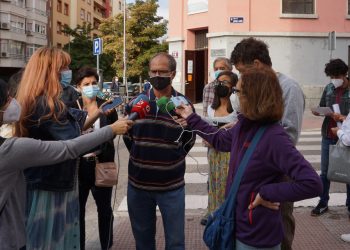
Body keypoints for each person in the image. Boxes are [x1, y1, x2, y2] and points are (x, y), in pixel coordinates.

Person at [175, 67, 322, 250]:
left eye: (237, 91)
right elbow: (220, 140)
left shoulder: (274, 137)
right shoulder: (245, 125)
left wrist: (267, 192)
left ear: (254, 95)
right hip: (237, 225)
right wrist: (191, 117)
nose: (234, 95)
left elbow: (312, 183)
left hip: (257, 236)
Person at [0, 78, 133, 250]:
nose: (14, 102)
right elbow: (68, 148)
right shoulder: (10, 149)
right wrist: (111, 130)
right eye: (8, 98)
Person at [230, 37, 305, 250]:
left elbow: (289, 134)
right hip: (253, 169)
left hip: (277, 172)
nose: (242, 77)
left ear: (256, 64)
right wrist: (238, 129)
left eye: (243, 71)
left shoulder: (289, 88)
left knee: (280, 224)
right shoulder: (251, 86)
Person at [123, 52, 195, 250]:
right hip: (138, 186)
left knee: (175, 242)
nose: (157, 75)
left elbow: (189, 141)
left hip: (171, 187)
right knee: (143, 242)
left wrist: (171, 156)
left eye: (162, 71)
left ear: (172, 74)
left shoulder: (184, 105)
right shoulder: (135, 103)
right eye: (153, 71)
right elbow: (128, 138)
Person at [15, 47, 85, 249]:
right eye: (64, 67)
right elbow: (73, 143)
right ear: (49, 71)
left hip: (38, 181)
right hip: (51, 185)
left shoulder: (31, 99)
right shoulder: (47, 105)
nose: (68, 71)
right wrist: (111, 130)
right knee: (51, 242)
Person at [71, 67, 118, 250]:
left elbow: (113, 133)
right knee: (78, 211)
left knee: (105, 210)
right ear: (78, 86)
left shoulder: (107, 106)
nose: (90, 87)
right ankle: (79, 246)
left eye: (93, 83)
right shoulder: (72, 107)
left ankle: (106, 245)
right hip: (78, 166)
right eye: (86, 84)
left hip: (102, 163)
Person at [310, 58, 350, 218]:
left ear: (343, 74)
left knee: (348, 171)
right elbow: (322, 106)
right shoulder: (329, 88)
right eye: (331, 76)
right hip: (328, 134)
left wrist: (343, 117)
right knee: (325, 172)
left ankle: (349, 204)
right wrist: (318, 111)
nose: (334, 79)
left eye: (336, 76)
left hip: (346, 135)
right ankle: (323, 202)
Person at [201, 71, 238, 226]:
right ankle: (214, 212)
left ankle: (228, 215)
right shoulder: (211, 108)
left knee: (227, 184)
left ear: (233, 86)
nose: (220, 85)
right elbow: (207, 129)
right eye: (218, 82)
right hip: (214, 152)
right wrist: (206, 138)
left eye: (225, 82)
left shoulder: (237, 106)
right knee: (214, 183)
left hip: (230, 152)